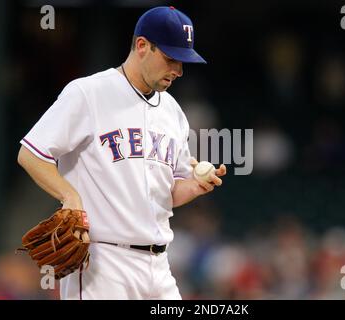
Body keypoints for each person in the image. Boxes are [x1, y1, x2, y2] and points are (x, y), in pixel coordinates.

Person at [17, 6, 226, 300]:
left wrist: (192, 187)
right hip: (103, 263)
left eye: (182, 62)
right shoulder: (88, 93)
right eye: (170, 59)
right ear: (142, 46)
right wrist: (70, 196)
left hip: (159, 265)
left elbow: (169, 193)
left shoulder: (173, 111)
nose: (178, 71)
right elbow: (30, 154)